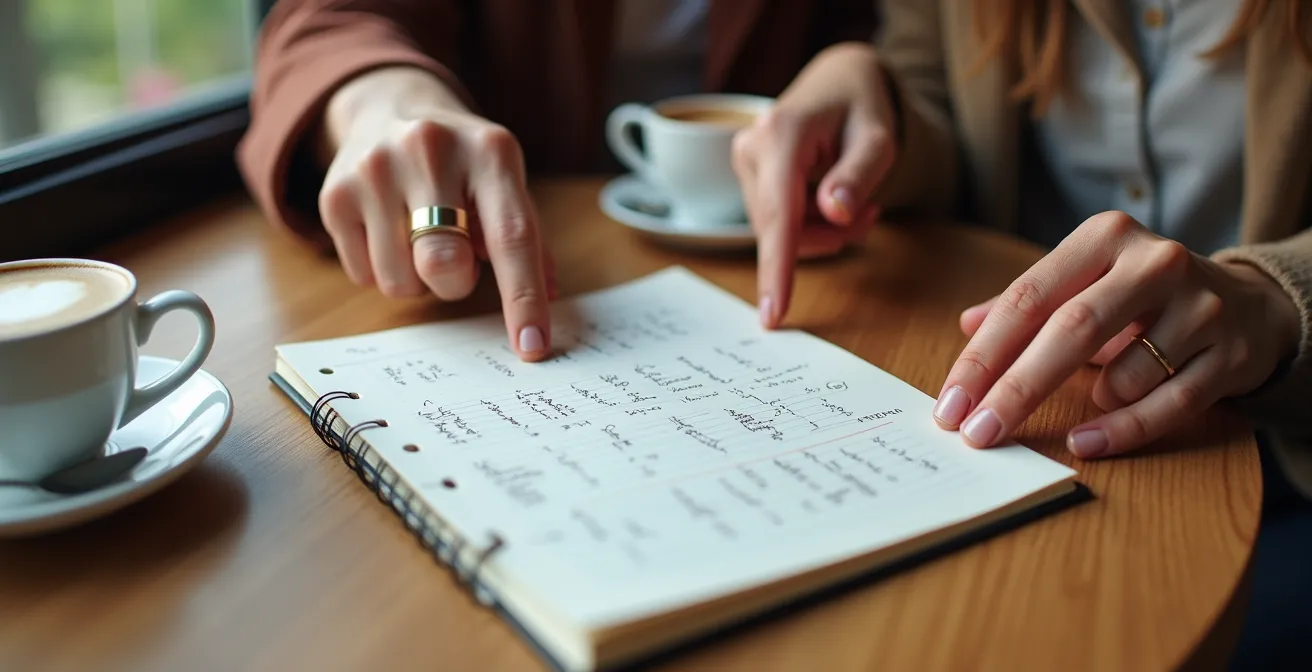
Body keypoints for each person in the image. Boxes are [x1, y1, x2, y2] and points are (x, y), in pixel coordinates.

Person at [734, 0, 1312, 666]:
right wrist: (873, 103)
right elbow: (936, 93)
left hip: (1289, 467)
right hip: (1049, 432)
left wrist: (1272, 300)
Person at [238, 0, 877, 363]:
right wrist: (383, 101)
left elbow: (888, 33)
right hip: (517, 257)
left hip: (810, 254)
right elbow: (330, 18)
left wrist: (860, 71)